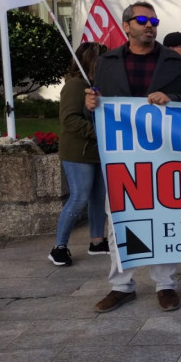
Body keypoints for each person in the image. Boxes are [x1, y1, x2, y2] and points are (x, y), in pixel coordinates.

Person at [85, 1, 181, 313]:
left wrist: (173, 99)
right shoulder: (106, 62)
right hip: (122, 157)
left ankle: (165, 284)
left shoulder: (177, 64)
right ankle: (121, 286)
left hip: (165, 155)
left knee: (164, 217)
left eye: (154, 20)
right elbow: (98, 111)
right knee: (120, 220)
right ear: (127, 26)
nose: (149, 25)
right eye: (142, 20)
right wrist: (92, 105)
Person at [49, 42, 110, 266]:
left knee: (98, 198)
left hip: (95, 151)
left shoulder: (94, 86)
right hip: (78, 152)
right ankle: (59, 246)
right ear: (92, 62)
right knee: (79, 197)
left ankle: (97, 241)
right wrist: (98, 133)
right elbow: (69, 119)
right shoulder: (75, 85)